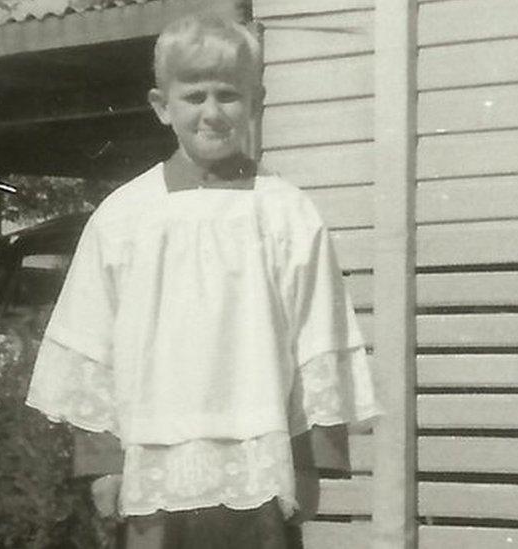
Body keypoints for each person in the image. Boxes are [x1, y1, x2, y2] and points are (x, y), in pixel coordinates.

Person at [26, 13, 381, 548]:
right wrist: (101, 459)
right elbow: (92, 344)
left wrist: (311, 462)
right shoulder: (125, 216)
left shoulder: (286, 213)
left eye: (228, 96)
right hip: (155, 461)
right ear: (162, 106)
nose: (212, 113)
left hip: (258, 463)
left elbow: (317, 337)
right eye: (194, 97)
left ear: (256, 103)